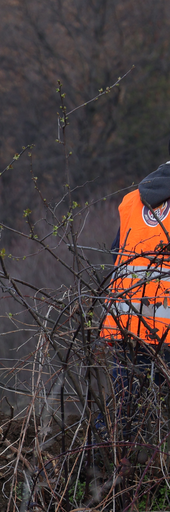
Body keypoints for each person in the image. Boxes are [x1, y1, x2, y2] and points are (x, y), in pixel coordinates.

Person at [100, 153, 170, 442]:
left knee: (123, 414)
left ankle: (105, 468)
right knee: (156, 425)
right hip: (165, 332)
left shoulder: (131, 200)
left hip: (124, 324)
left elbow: (116, 254)